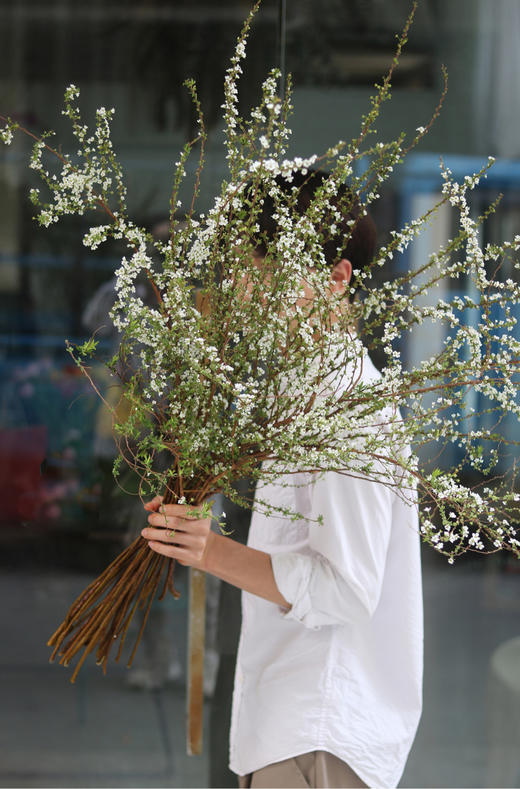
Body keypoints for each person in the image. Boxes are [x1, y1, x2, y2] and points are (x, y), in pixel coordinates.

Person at [140, 171, 423, 788]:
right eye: (241, 267)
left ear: (338, 278)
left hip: (319, 731)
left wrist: (208, 551)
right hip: (292, 723)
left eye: (265, 270)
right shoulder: (303, 391)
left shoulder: (351, 409)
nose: (244, 287)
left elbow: (347, 589)